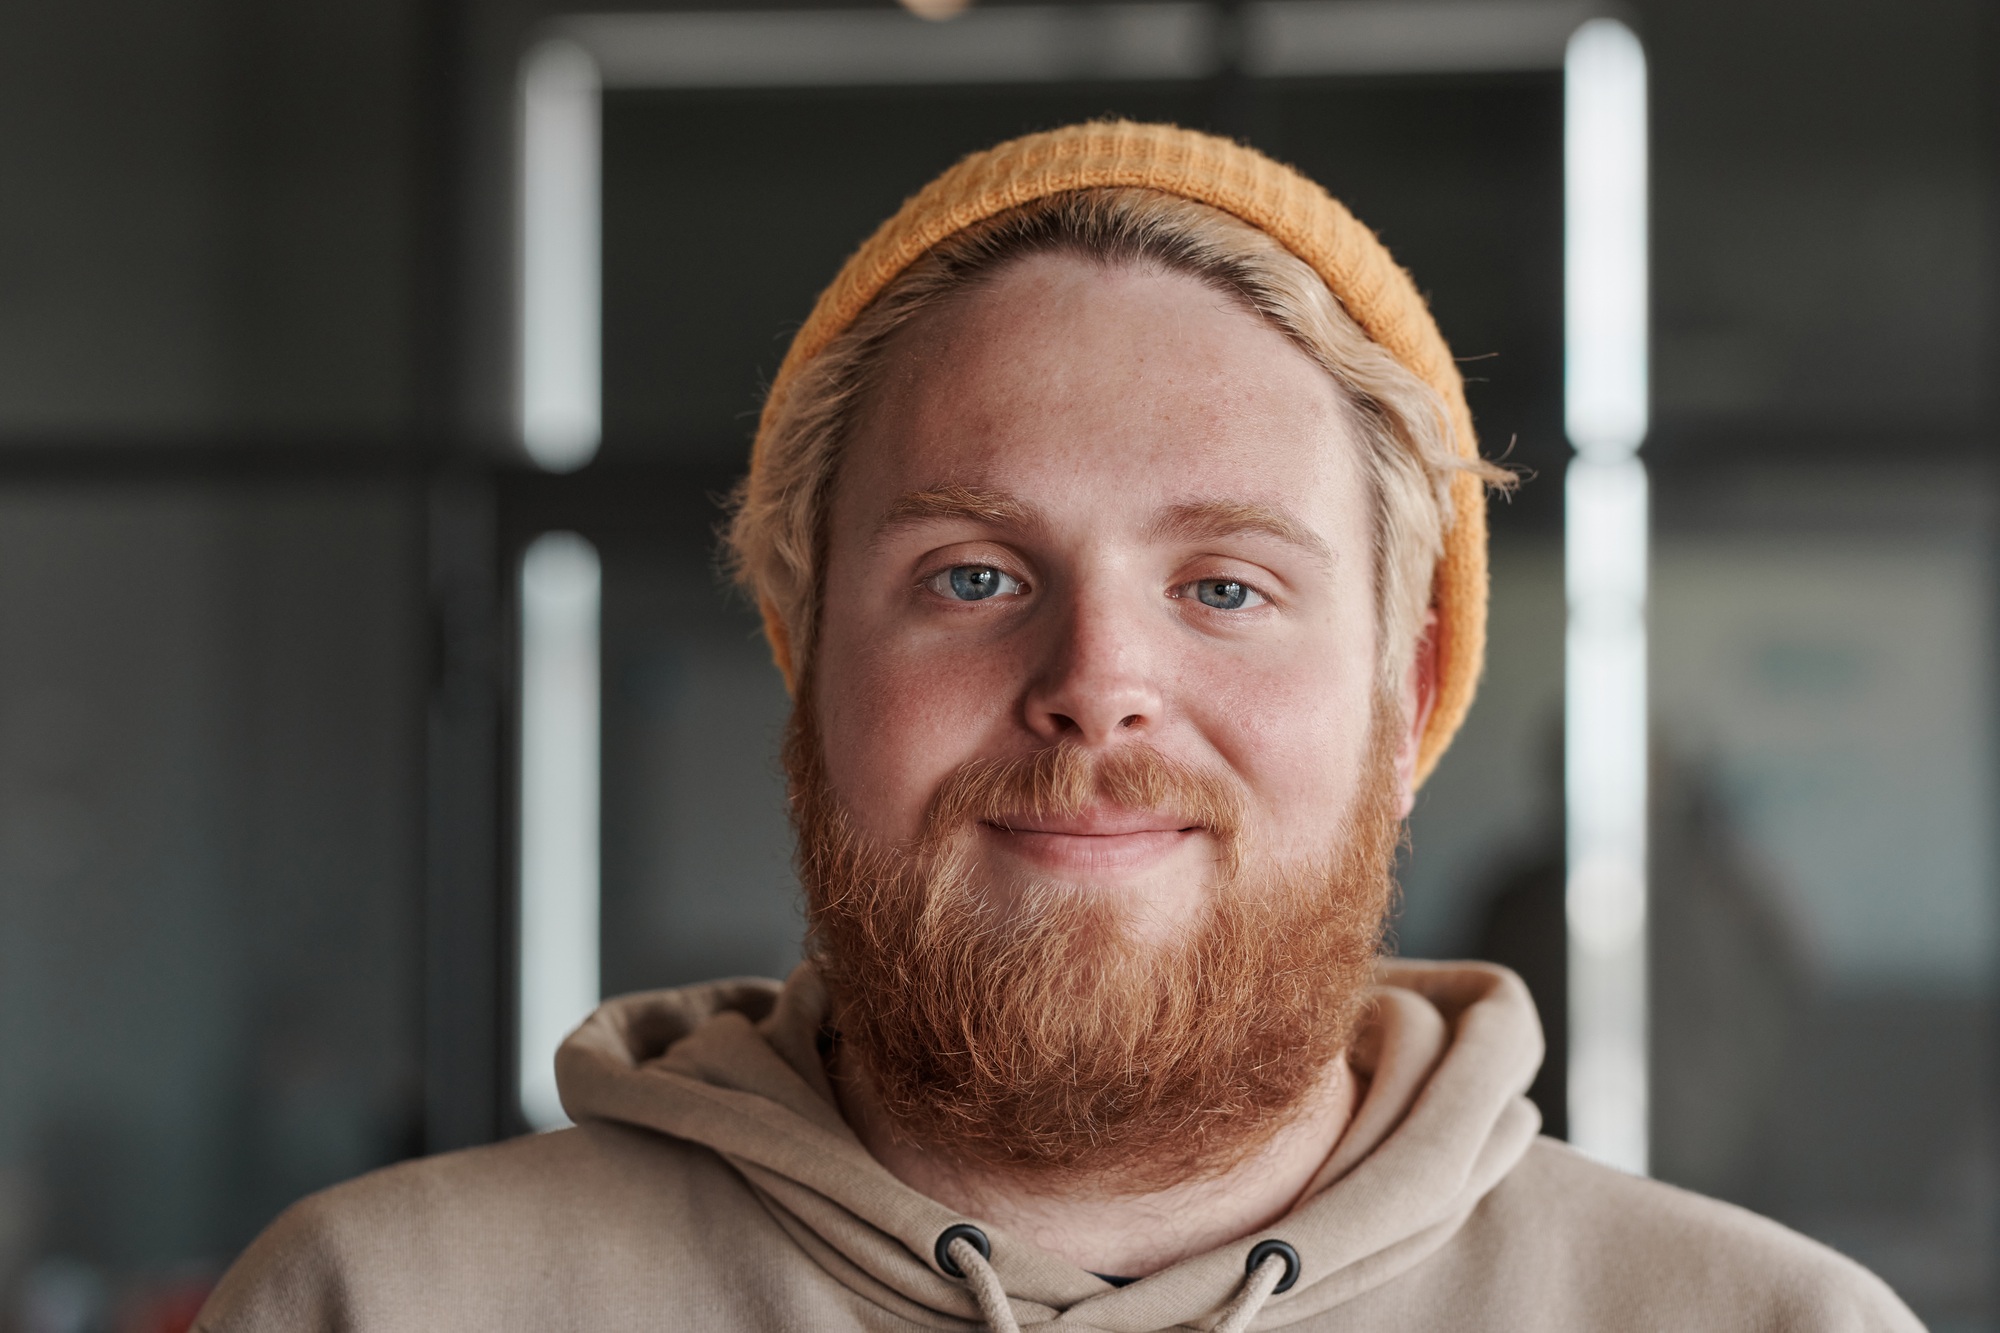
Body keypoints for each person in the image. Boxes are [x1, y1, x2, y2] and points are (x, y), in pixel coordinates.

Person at [195, 121, 1920, 1331]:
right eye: (969, 575)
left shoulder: (1776, 1326)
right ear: (807, 664)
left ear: (1408, 696)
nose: (1098, 678)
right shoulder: (375, 1306)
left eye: (1227, 587)